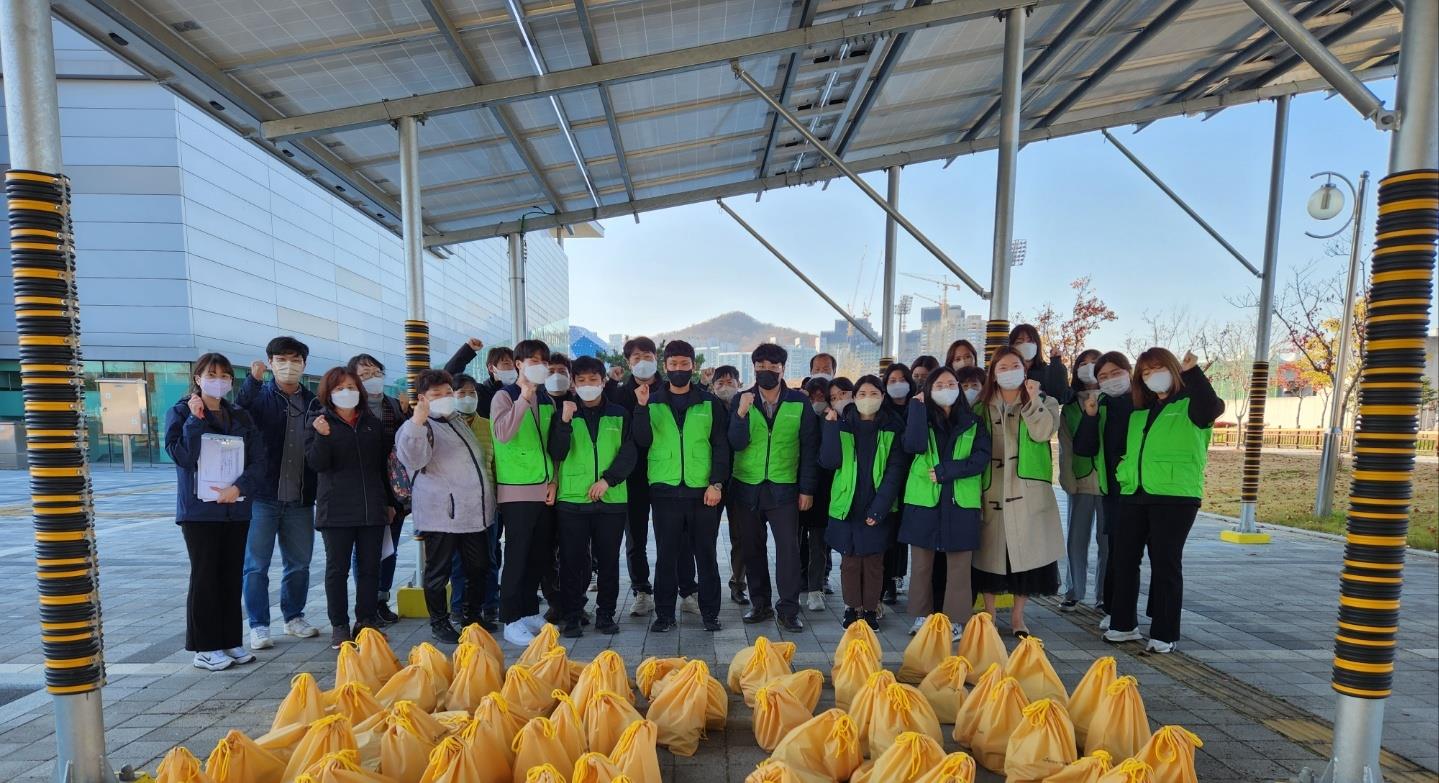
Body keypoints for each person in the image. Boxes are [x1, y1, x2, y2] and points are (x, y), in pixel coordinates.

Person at [1100, 348, 1222, 654]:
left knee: (1165, 563)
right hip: (1134, 493)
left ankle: (1165, 633)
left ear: (1172, 369)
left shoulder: (1191, 406)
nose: (1152, 376)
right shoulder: (1140, 410)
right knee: (1124, 560)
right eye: (1145, 372)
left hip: (1175, 496)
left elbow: (1212, 407)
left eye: (1157, 368)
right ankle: (1123, 624)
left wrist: (1193, 372)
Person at [167, 353, 266, 672]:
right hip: (200, 512)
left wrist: (240, 487)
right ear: (197, 378)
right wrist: (195, 422)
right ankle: (205, 647)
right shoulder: (181, 412)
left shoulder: (238, 414)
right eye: (212, 374)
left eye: (225, 376)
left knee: (230, 575)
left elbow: (258, 459)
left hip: (235, 509)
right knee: (206, 576)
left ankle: (228, 640)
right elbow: (182, 457)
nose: (219, 380)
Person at [633, 341, 731, 633]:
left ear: (693, 366)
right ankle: (664, 615)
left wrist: (716, 483)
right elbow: (641, 441)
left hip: (703, 492)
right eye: (673, 365)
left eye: (684, 364)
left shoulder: (708, 402)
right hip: (664, 492)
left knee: (706, 555)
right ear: (665, 367)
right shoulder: (650, 400)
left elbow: (721, 447)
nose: (678, 370)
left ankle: (710, 614)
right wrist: (639, 408)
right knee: (666, 556)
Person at [395, 370, 496, 643]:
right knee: (438, 572)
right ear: (423, 399)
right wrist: (417, 419)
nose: (444, 398)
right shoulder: (421, 426)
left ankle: (472, 616)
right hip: (442, 515)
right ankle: (439, 622)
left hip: (474, 513)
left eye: (447, 393)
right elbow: (413, 458)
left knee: (479, 567)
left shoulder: (456, 420)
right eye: (436, 395)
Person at [973, 346, 1063, 638]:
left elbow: (1042, 433)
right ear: (993, 373)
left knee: (1023, 558)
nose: (1009, 371)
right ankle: (987, 612)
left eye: (1015, 365)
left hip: (1026, 490)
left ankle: (1017, 617)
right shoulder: (980, 405)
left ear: (1025, 370)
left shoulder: (1045, 401)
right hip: (991, 488)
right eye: (1002, 367)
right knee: (989, 556)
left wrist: (1033, 400)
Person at [729, 343, 819, 632]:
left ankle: (789, 609)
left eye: (773, 366)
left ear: (783, 368)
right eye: (761, 365)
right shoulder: (741, 400)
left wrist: (807, 489)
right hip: (747, 488)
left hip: (784, 489)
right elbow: (735, 443)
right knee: (752, 549)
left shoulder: (798, 402)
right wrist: (740, 415)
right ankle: (760, 604)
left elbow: (809, 447)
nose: (766, 370)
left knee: (788, 551)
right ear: (753, 367)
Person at [236, 336, 319, 650]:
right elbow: (238, 413)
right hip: (262, 497)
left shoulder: (313, 401)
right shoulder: (258, 397)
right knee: (256, 565)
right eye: (281, 360)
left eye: (295, 359)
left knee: (299, 563)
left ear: (304, 364)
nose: (288, 366)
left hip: (300, 497)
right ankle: (258, 625)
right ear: (270, 363)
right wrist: (251, 382)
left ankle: (294, 616)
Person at [547, 356, 637, 638]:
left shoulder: (620, 413)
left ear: (602, 381)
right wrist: (563, 422)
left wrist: (608, 480)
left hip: (611, 500)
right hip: (573, 501)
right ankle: (572, 615)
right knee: (573, 561)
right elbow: (556, 453)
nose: (588, 385)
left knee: (609, 560)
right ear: (573, 383)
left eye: (593, 380)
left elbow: (629, 451)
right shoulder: (563, 412)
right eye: (582, 380)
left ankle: (606, 614)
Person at [899, 367, 990, 637]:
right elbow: (912, 445)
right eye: (939, 385)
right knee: (922, 565)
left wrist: (946, 471)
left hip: (960, 501)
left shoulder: (974, 423)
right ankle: (920, 616)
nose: (946, 388)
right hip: (923, 501)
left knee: (959, 566)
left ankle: (957, 620)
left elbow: (980, 458)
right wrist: (916, 409)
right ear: (928, 390)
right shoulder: (920, 419)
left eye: (951, 383)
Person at [307, 367, 391, 648]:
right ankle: (339, 626)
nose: (347, 392)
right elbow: (317, 464)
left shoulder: (371, 423)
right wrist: (321, 435)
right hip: (336, 510)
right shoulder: (319, 421)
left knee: (370, 569)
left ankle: (365, 621)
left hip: (371, 508)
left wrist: (389, 503)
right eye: (340, 388)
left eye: (352, 387)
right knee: (337, 570)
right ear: (328, 393)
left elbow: (383, 466)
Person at [819, 375, 908, 629]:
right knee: (849, 562)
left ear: (882, 397)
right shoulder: (843, 424)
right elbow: (829, 460)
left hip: (877, 505)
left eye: (873, 394)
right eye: (862, 394)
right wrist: (830, 427)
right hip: (847, 503)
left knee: (872, 563)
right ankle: (851, 608)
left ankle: (870, 609)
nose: (867, 399)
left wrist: (879, 508)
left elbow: (895, 471)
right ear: (853, 398)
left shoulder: (892, 428)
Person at [491, 339, 561, 645]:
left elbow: (553, 446)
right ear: (518, 364)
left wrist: (554, 480)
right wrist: (523, 399)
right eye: (533, 360)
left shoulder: (549, 399)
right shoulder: (503, 397)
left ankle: (530, 610)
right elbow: (503, 434)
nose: (539, 366)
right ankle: (510, 618)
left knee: (539, 555)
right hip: (516, 490)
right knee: (517, 555)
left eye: (543, 361)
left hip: (544, 488)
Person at [1074, 351, 1135, 629]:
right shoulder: (1100, 405)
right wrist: (1090, 417)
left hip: (1145, 490)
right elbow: (1084, 448)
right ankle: (1115, 610)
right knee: (1117, 554)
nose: (1110, 380)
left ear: (1129, 372)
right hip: (1112, 490)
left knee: (1155, 557)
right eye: (1103, 376)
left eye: (1115, 373)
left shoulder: (1143, 404)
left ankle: (1159, 619)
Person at [347, 353, 408, 626]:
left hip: (394, 490)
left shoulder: (395, 406)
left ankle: (381, 599)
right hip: (363, 491)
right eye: (364, 374)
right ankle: (366, 604)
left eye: (375, 372)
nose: (372, 378)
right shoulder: (352, 410)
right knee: (365, 551)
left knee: (389, 548)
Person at [607, 336, 662, 617]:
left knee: (674, 537)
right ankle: (642, 590)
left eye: (648, 355)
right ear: (628, 362)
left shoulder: (670, 388)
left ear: (656, 358)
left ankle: (684, 589)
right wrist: (607, 382)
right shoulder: (618, 393)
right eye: (637, 357)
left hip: (667, 475)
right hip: (633, 476)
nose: (643, 362)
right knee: (635, 537)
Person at [444, 372, 499, 630]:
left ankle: (488, 607)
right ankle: (458, 608)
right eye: (461, 393)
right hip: (455, 507)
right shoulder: (443, 425)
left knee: (488, 559)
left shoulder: (489, 425)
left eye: (472, 393)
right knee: (458, 562)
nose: (467, 398)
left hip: (487, 504)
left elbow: (497, 465)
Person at [1058, 350, 1107, 613]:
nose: (1088, 368)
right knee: (1077, 538)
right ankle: (1073, 590)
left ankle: (1104, 594)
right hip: (1081, 478)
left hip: (1111, 481)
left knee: (1107, 541)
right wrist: (1067, 478)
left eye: (1094, 364)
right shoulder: (1070, 406)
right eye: (1083, 364)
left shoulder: (1115, 400)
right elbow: (1065, 445)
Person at [710, 365, 748, 605]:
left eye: (730, 382)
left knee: (741, 537)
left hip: (741, 480)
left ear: (739, 383)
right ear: (713, 387)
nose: (726, 387)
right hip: (712, 481)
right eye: (720, 383)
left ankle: (738, 583)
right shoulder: (706, 407)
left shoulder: (746, 407)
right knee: (705, 536)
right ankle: (706, 583)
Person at [799, 377, 836, 610]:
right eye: (812, 397)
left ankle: (816, 588)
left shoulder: (833, 419)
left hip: (824, 490)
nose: (816, 401)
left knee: (819, 544)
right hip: (798, 488)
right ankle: (797, 584)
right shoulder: (799, 415)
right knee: (795, 543)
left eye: (821, 397)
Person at [879, 362, 915, 606]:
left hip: (915, 478)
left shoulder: (919, 407)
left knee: (905, 532)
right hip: (889, 477)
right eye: (891, 380)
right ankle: (887, 583)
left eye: (901, 379)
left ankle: (898, 575)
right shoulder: (882, 410)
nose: (897, 384)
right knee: (888, 532)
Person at [1009, 324, 1072, 402]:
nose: (1025, 345)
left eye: (1030, 341)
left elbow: (1060, 397)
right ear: (1011, 347)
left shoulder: (1047, 372)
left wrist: (1056, 364)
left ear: (1037, 345)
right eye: (1019, 342)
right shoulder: (1006, 372)